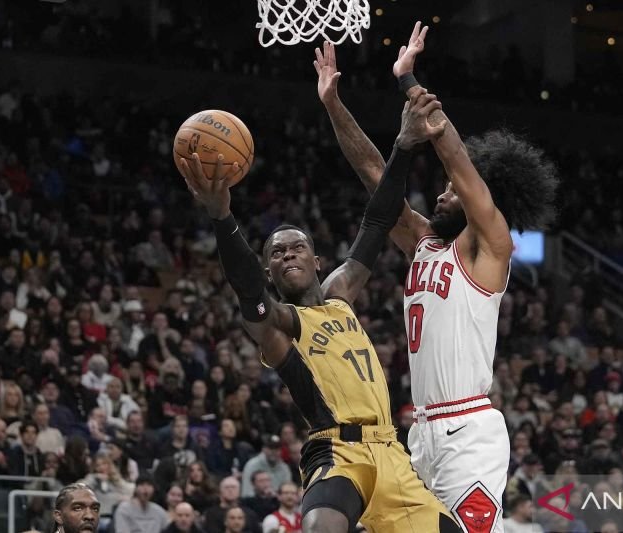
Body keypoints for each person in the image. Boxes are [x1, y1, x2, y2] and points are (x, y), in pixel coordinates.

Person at [178, 87, 458, 533]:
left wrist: (404, 146)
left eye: (297, 247)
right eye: (276, 253)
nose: (288, 254)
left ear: (318, 261)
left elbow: (378, 220)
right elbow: (249, 292)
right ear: (269, 271)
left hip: (392, 454)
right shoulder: (279, 328)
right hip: (338, 453)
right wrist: (222, 217)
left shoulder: (341, 294)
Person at [315, 21, 558, 532]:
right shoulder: (425, 242)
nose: (443, 192)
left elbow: (458, 159)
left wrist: (409, 82)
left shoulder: (490, 245)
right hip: (421, 431)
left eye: (452, 189)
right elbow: (376, 177)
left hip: (468, 430)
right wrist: (334, 106)